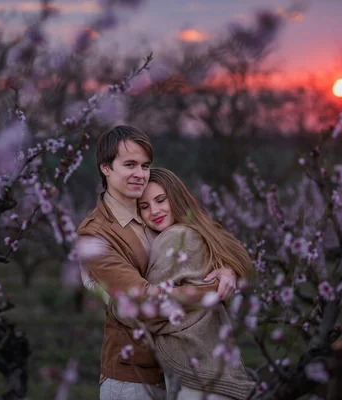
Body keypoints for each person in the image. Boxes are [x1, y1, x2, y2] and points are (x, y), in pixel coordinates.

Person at [77, 125, 238, 400]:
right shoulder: (95, 234)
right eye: (129, 164)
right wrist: (213, 291)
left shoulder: (157, 212)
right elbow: (143, 299)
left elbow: (218, 243)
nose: (140, 174)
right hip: (133, 376)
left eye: (145, 165)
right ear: (106, 168)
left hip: (184, 369)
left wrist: (227, 269)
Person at [134, 168, 256, 400]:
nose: (155, 211)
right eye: (144, 206)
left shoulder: (174, 237)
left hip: (194, 372)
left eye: (161, 200)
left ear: (176, 197)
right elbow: (244, 261)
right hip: (218, 366)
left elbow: (149, 309)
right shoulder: (201, 231)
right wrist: (229, 271)